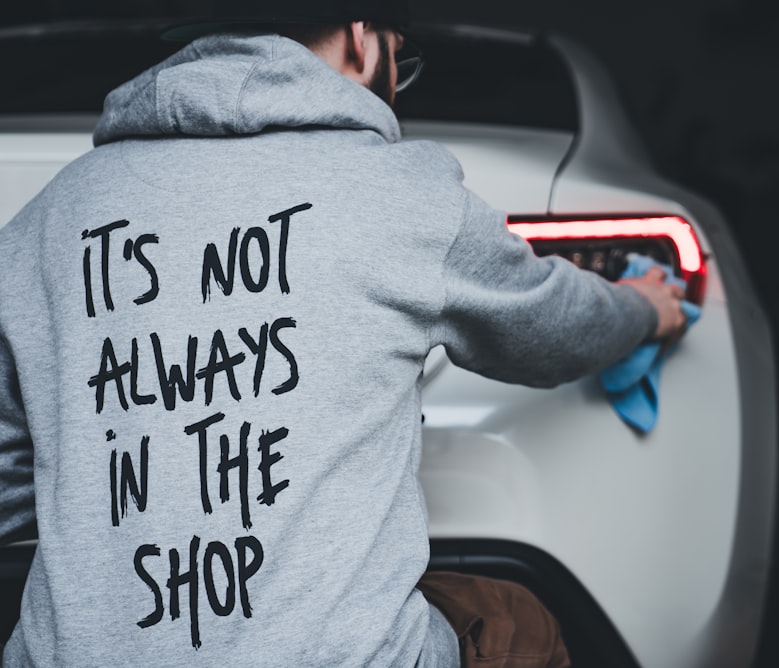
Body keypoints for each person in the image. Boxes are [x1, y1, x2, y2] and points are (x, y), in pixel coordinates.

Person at [0, 0, 689, 665]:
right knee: (517, 621)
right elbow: (552, 328)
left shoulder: (48, 218)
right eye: (400, 56)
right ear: (362, 36)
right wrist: (642, 307)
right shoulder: (402, 192)